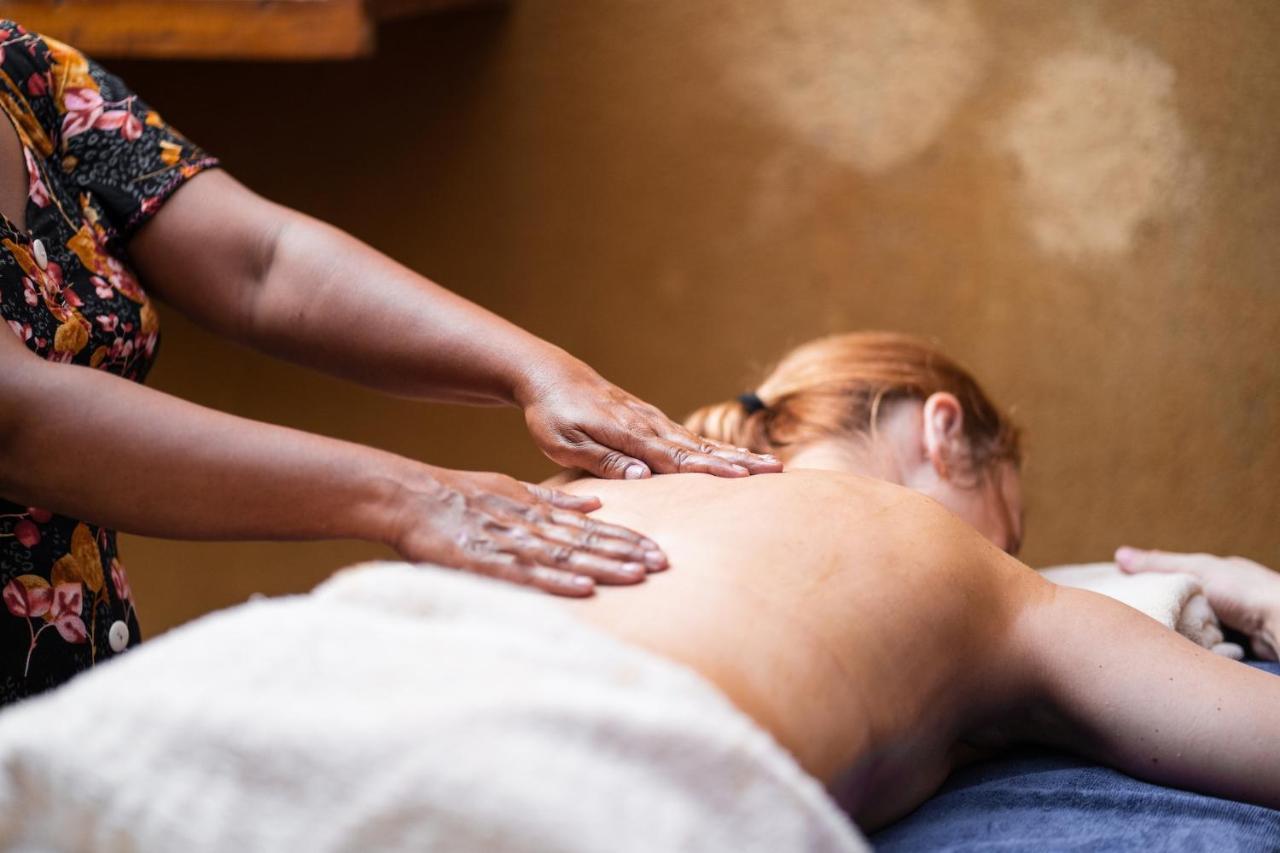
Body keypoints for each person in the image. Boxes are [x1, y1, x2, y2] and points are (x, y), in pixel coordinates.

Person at [0, 331, 1275, 851]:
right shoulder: (985, 588)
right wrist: (1246, 593)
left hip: (241, 682)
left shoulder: (556, 505)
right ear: (941, 433)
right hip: (560, 769)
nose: (1008, 560)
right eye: (1011, 531)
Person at [0, 22, 779, 704]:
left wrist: (540, 370)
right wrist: (411, 496)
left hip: (69, 689)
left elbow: (259, 262)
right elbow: (19, 418)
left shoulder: (22, 69)